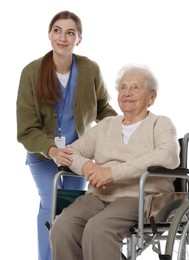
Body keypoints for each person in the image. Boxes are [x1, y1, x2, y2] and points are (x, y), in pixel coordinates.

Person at [49, 65, 180, 260]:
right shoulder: (105, 126)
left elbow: (168, 155)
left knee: (99, 229)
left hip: (141, 196)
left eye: (135, 88)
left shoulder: (160, 124)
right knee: (62, 227)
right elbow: (70, 152)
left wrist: (112, 173)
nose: (127, 93)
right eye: (123, 88)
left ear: (151, 97)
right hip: (99, 195)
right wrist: (88, 166)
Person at [16, 10, 117, 260]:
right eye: (58, 31)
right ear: (50, 35)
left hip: (77, 155)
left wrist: (123, 127)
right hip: (43, 155)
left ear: (78, 39)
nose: (63, 37)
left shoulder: (90, 69)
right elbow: (26, 128)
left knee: (73, 208)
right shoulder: (31, 72)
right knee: (51, 203)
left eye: (70, 32)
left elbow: (103, 108)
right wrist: (51, 150)